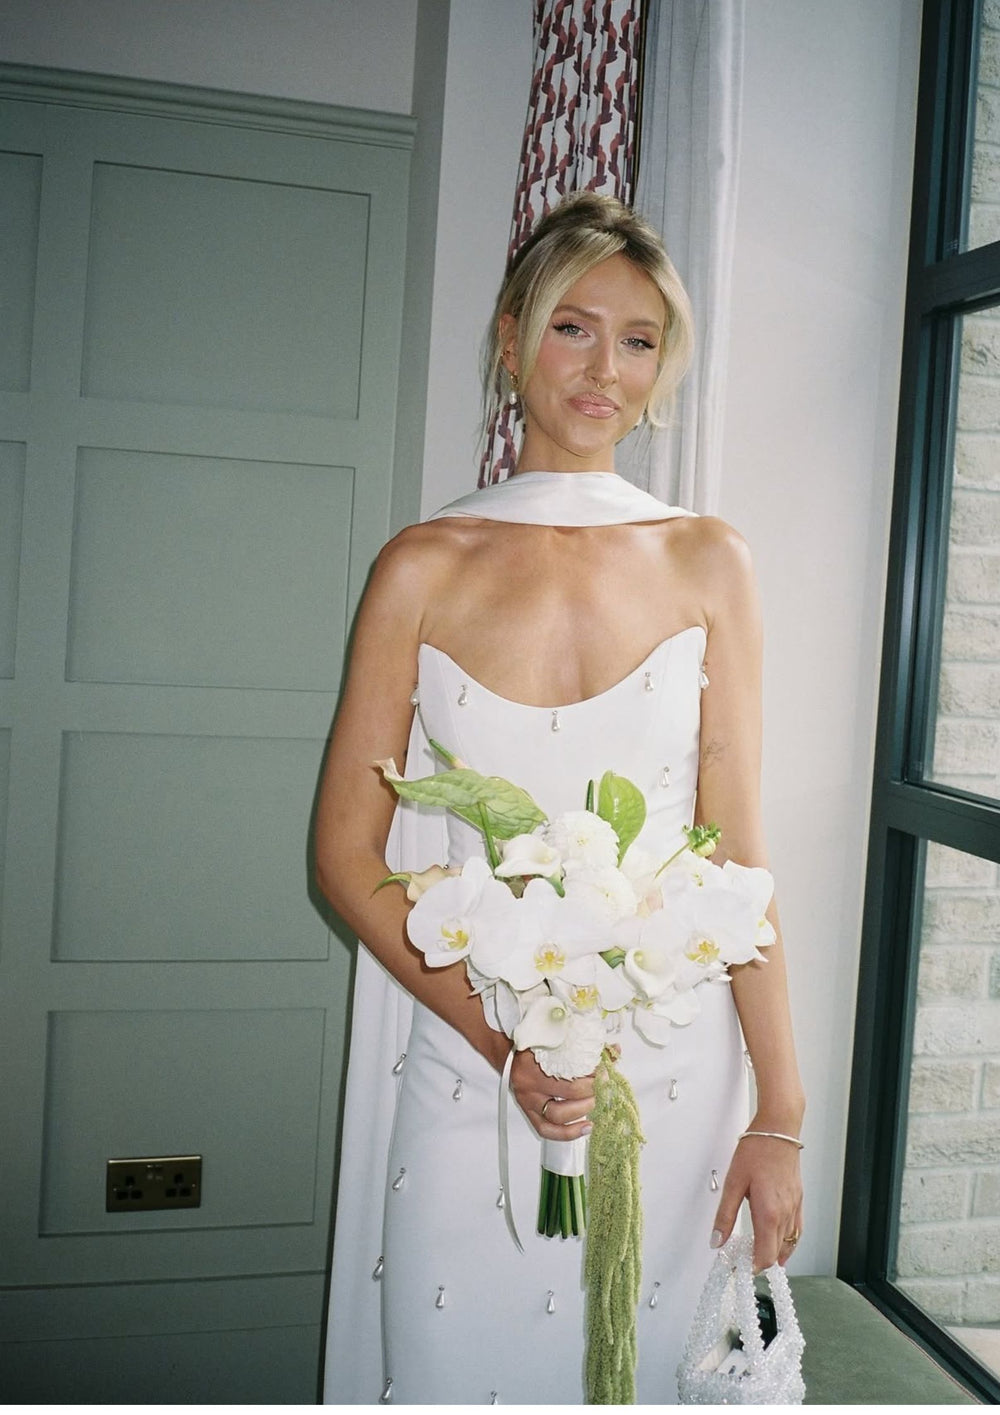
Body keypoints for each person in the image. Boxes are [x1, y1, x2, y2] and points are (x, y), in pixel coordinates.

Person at [317, 191, 804, 1405]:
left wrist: (781, 1114)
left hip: (676, 1070)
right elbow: (345, 850)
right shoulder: (421, 563)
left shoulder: (708, 557)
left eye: (638, 339)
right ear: (509, 338)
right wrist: (510, 1042)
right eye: (573, 327)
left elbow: (739, 850)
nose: (605, 369)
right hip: (471, 1046)